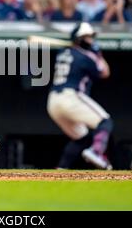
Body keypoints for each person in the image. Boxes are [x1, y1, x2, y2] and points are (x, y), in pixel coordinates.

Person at [47, 22, 114, 169]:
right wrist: (98, 55)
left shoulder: (63, 52)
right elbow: (105, 72)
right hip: (71, 97)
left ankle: (61, 169)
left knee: (81, 138)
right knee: (105, 122)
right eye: (87, 37)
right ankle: (97, 151)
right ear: (79, 39)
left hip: (53, 102)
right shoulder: (87, 57)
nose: (91, 40)